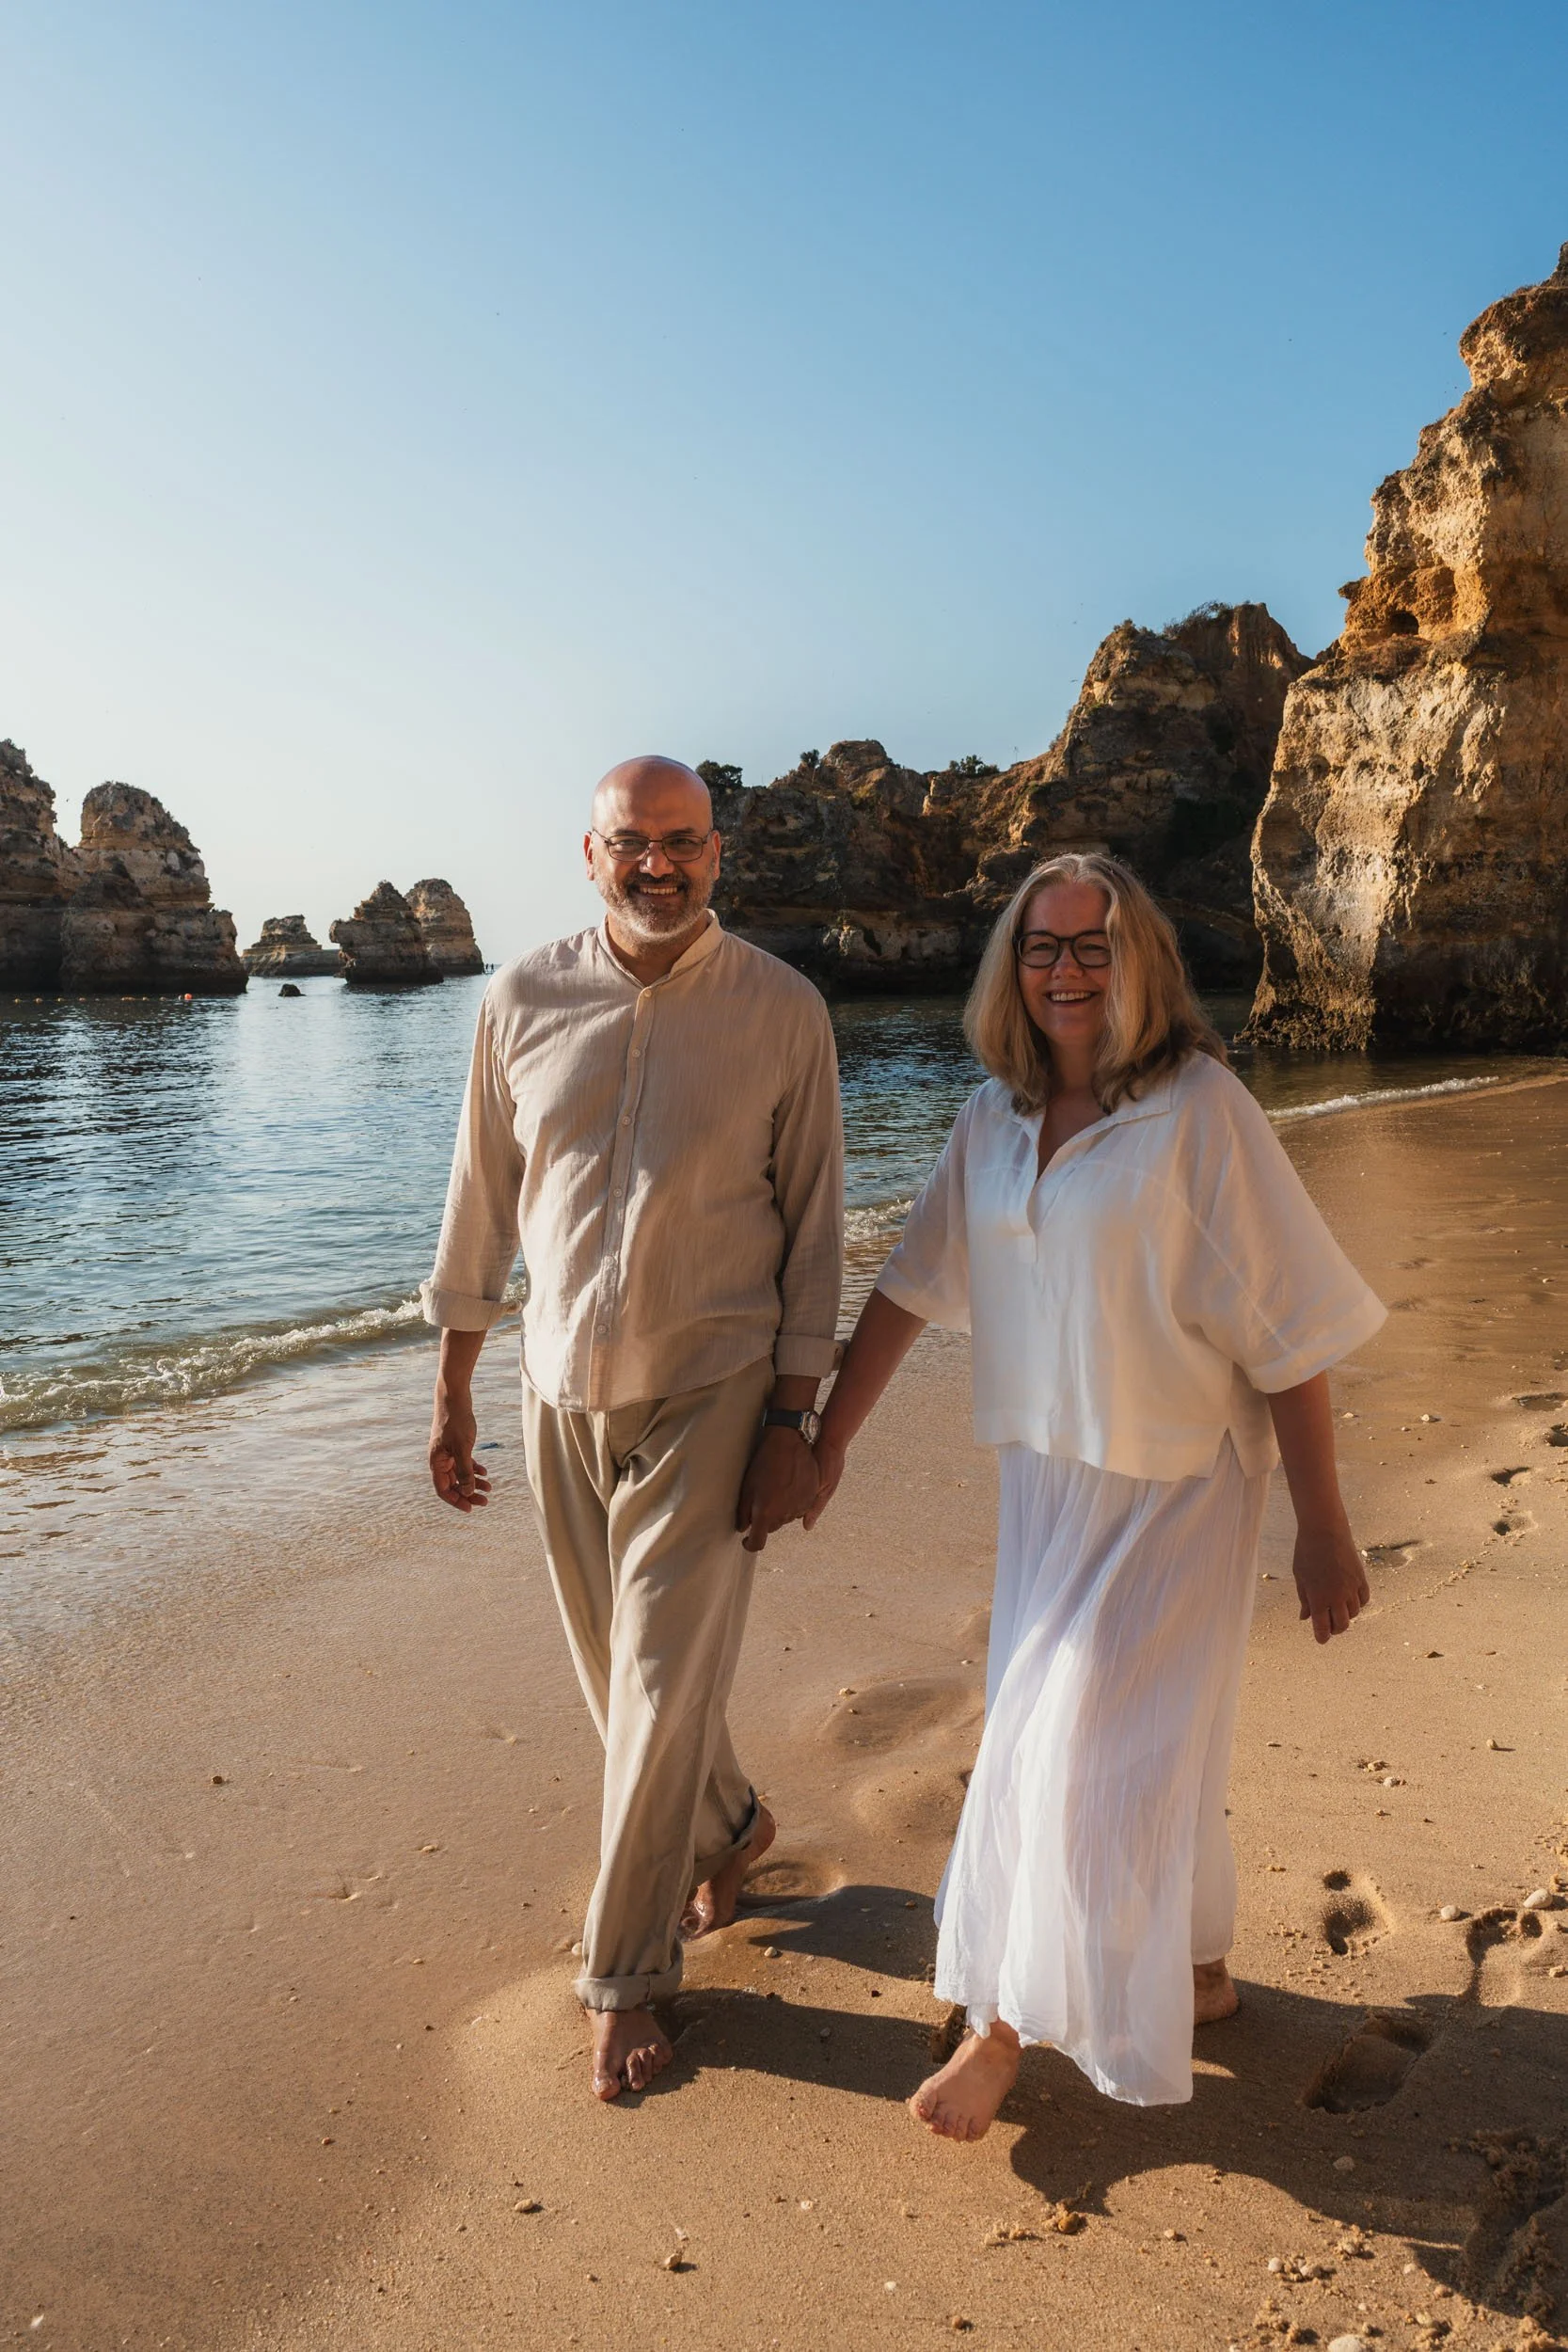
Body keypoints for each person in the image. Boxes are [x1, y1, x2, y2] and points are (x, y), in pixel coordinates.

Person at [804, 850, 1385, 2140]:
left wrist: (1322, 1528)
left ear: (1140, 967)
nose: (1064, 970)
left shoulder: (1198, 1110)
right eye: (1040, 946)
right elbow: (907, 1284)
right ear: (1010, 968)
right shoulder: (988, 1121)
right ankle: (1193, 1965)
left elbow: (1289, 1325)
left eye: (1092, 946)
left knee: (1072, 1748)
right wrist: (826, 1440)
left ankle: (1006, 2029)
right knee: (1134, 1741)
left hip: (1177, 1481)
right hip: (1047, 1479)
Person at [421, 756, 842, 2102]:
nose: (658, 865)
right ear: (587, 853)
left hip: (716, 1382)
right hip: (556, 1387)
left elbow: (817, 1229)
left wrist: (796, 1417)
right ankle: (731, 1823)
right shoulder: (519, 997)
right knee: (618, 1684)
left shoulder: (783, 1011)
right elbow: (481, 1201)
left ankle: (626, 1976)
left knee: (657, 1687)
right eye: (630, 844)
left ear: (718, 855)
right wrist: (451, 1390)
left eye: (683, 843)